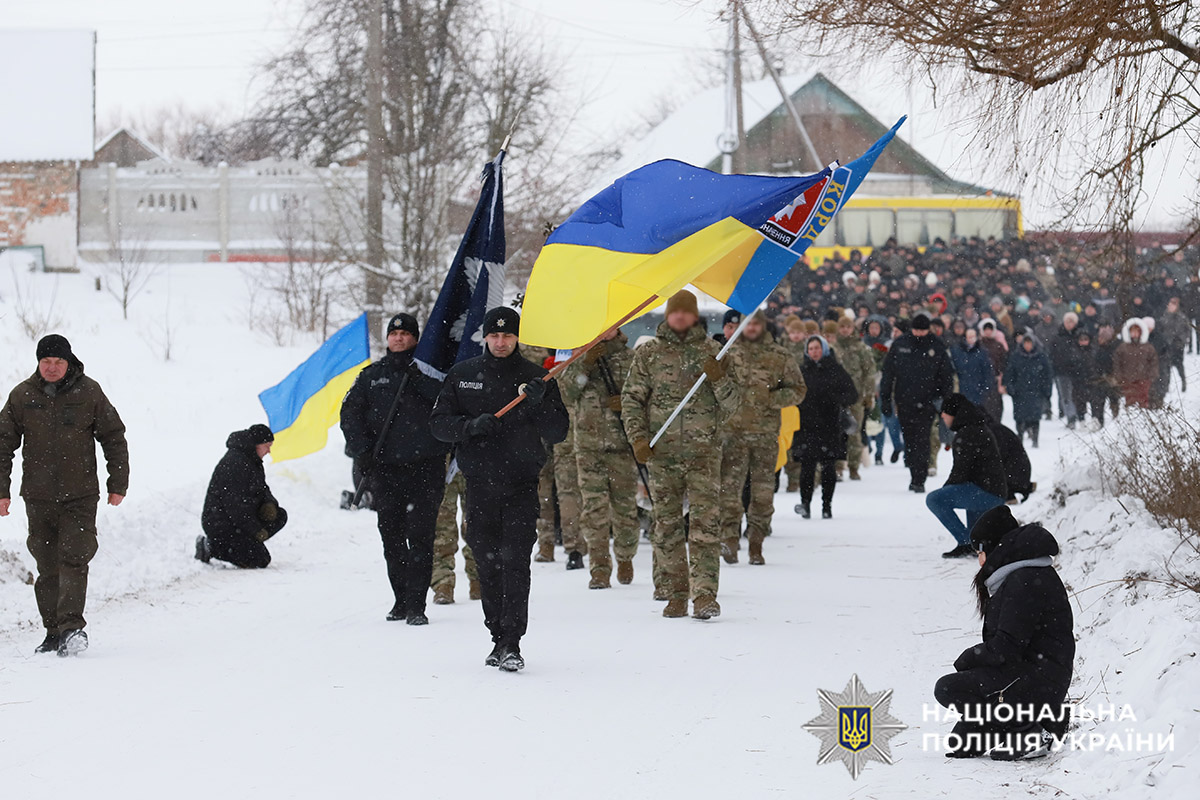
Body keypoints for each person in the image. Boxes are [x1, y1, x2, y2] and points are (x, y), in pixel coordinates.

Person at [430, 307, 569, 671]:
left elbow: (558, 432)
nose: (501, 341)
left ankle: (512, 641)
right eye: (495, 335)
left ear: (517, 337)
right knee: (487, 563)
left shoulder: (537, 378)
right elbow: (439, 425)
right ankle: (496, 634)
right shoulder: (463, 377)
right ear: (485, 337)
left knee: (515, 561)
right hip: (479, 485)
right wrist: (469, 426)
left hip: (521, 484)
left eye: (508, 335)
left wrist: (541, 404)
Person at [0, 334, 129, 657]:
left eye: (58, 362)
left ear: (69, 361)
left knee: (74, 555)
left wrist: (118, 482)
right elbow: (3, 445)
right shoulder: (22, 395)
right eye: (46, 362)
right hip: (38, 496)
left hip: (80, 495)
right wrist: (1, 491)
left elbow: (113, 436)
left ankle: (72, 628)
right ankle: (53, 631)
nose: (53, 368)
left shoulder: (89, 392)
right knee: (47, 565)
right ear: (38, 362)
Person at [623, 290, 741, 620]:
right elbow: (632, 400)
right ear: (667, 315)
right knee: (667, 526)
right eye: (674, 312)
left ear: (693, 316)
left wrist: (718, 379)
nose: (679, 318)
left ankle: (704, 595)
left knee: (705, 526)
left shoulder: (714, 352)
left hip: (704, 454)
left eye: (685, 313)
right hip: (663, 454)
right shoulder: (648, 354)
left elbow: (733, 405)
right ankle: (676, 591)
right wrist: (638, 439)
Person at [934, 505, 1074, 760]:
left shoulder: (1024, 581)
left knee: (946, 689)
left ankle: (1029, 729)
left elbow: (1007, 647)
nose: (979, 559)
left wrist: (968, 659)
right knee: (962, 742)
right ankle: (1039, 721)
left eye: (980, 551)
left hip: (1039, 678)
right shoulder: (1020, 575)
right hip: (1031, 674)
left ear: (993, 547)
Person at [341, 312, 449, 625]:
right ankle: (400, 599)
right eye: (394, 333)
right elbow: (350, 415)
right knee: (391, 537)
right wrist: (362, 452)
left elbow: (447, 406)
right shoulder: (371, 376)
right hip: (385, 471)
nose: (399, 338)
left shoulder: (431, 374)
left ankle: (417, 605)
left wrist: (420, 381)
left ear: (416, 338)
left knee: (420, 537)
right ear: (387, 339)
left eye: (405, 333)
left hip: (424, 469)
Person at [718, 310, 806, 564]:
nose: (751, 328)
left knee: (762, 492)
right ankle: (730, 539)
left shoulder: (778, 356)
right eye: (747, 324)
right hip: (732, 434)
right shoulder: (729, 354)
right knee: (729, 491)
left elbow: (799, 390)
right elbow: (714, 387)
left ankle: (756, 541)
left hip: (765, 435)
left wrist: (771, 399)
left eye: (756, 324)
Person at [559, 329, 641, 589]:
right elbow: (566, 393)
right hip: (588, 446)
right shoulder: (580, 357)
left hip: (621, 445)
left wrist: (625, 405)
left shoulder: (631, 358)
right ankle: (599, 567)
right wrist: (585, 362)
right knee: (594, 510)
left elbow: (644, 396)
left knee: (625, 509)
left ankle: (626, 556)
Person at [924, 394, 1008, 558]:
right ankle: (976, 543)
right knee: (965, 494)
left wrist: (945, 491)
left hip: (987, 493)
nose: (942, 416)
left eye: (945, 412)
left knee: (934, 500)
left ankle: (966, 543)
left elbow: (960, 471)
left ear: (954, 413)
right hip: (992, 491)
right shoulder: (976, 428)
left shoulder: (967, 433)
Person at [879, 312, 954, 492]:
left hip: (928, 401)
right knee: (910, 439)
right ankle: (914, 471)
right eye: (916, 330)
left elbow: (946, 376)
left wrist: (945, 401)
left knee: (923, 439)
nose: (919, 334)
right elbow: (888, 374)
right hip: (904, 401)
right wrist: (885, 399)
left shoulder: (936, 345)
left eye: (923, 330)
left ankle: (919, 478)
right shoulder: (900, 345)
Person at [197, 425, 288, 569]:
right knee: (260, 560)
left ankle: (246, 544)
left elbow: (263, 489)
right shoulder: (235, 463)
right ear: (256, 445)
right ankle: (211, 546)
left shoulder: (252, 460)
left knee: (280, 515)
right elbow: (235, 506)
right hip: (221, 524)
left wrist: (270, 504)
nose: (269, 451)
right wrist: (255, 530)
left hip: (239, 521)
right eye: (267, 446)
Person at [794, 335, 858, 519]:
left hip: (830, 425)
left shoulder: (835, 370)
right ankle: (805, 503)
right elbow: (791, 392)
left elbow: (852, 394)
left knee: (828, 467)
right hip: (806, 425)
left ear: (824, 349)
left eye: (817, 348)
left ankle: (826, 505)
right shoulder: (802, 370)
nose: (814, 352)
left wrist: (836, 400)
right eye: (811, 348)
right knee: (807, 467)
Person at [833, 314, 875, 481]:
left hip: (856, 396)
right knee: (836, 433)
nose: (845, 330)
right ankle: (837, 466)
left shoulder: (861, 348)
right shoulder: (833, 348)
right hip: (836, 397)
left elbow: (869, 373)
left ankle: (854, 467)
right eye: (842, 327)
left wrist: (868, 394)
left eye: (848, 327)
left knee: (855, 432)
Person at [1004, 333, 1053, 447]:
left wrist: (1046, 390)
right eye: (1025, 343)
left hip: (1036, 391)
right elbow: (1010, 373)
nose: (1027, 346)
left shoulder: (1041, 356)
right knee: (1019, 416)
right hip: (1020, 391)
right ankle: (1020, 436)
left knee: (1035, 416)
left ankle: (1035, 438)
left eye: (1029, 343)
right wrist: (1011, 388)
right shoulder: (1016, 357)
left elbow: (1047, 374)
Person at [1113, 318, 1159, 409]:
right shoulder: (1123, 348)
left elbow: (1153, 363)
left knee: (1143, 403)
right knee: (1130, 403)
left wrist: (1150, 377)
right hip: (1128, 380)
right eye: (1132, 331)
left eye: (1136, 331)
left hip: (1143, 380)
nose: (1134, 334)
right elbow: (1117, 363)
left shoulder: (1148, 347)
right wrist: (1119, 377)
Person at [949, 328, 996, 408]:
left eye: (973, 336)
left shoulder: (982, 352)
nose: (972, 339)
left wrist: (985, 389)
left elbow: (988, 372)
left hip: (978, 391)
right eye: (969, 337)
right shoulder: (956, 351)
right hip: (961, 389)